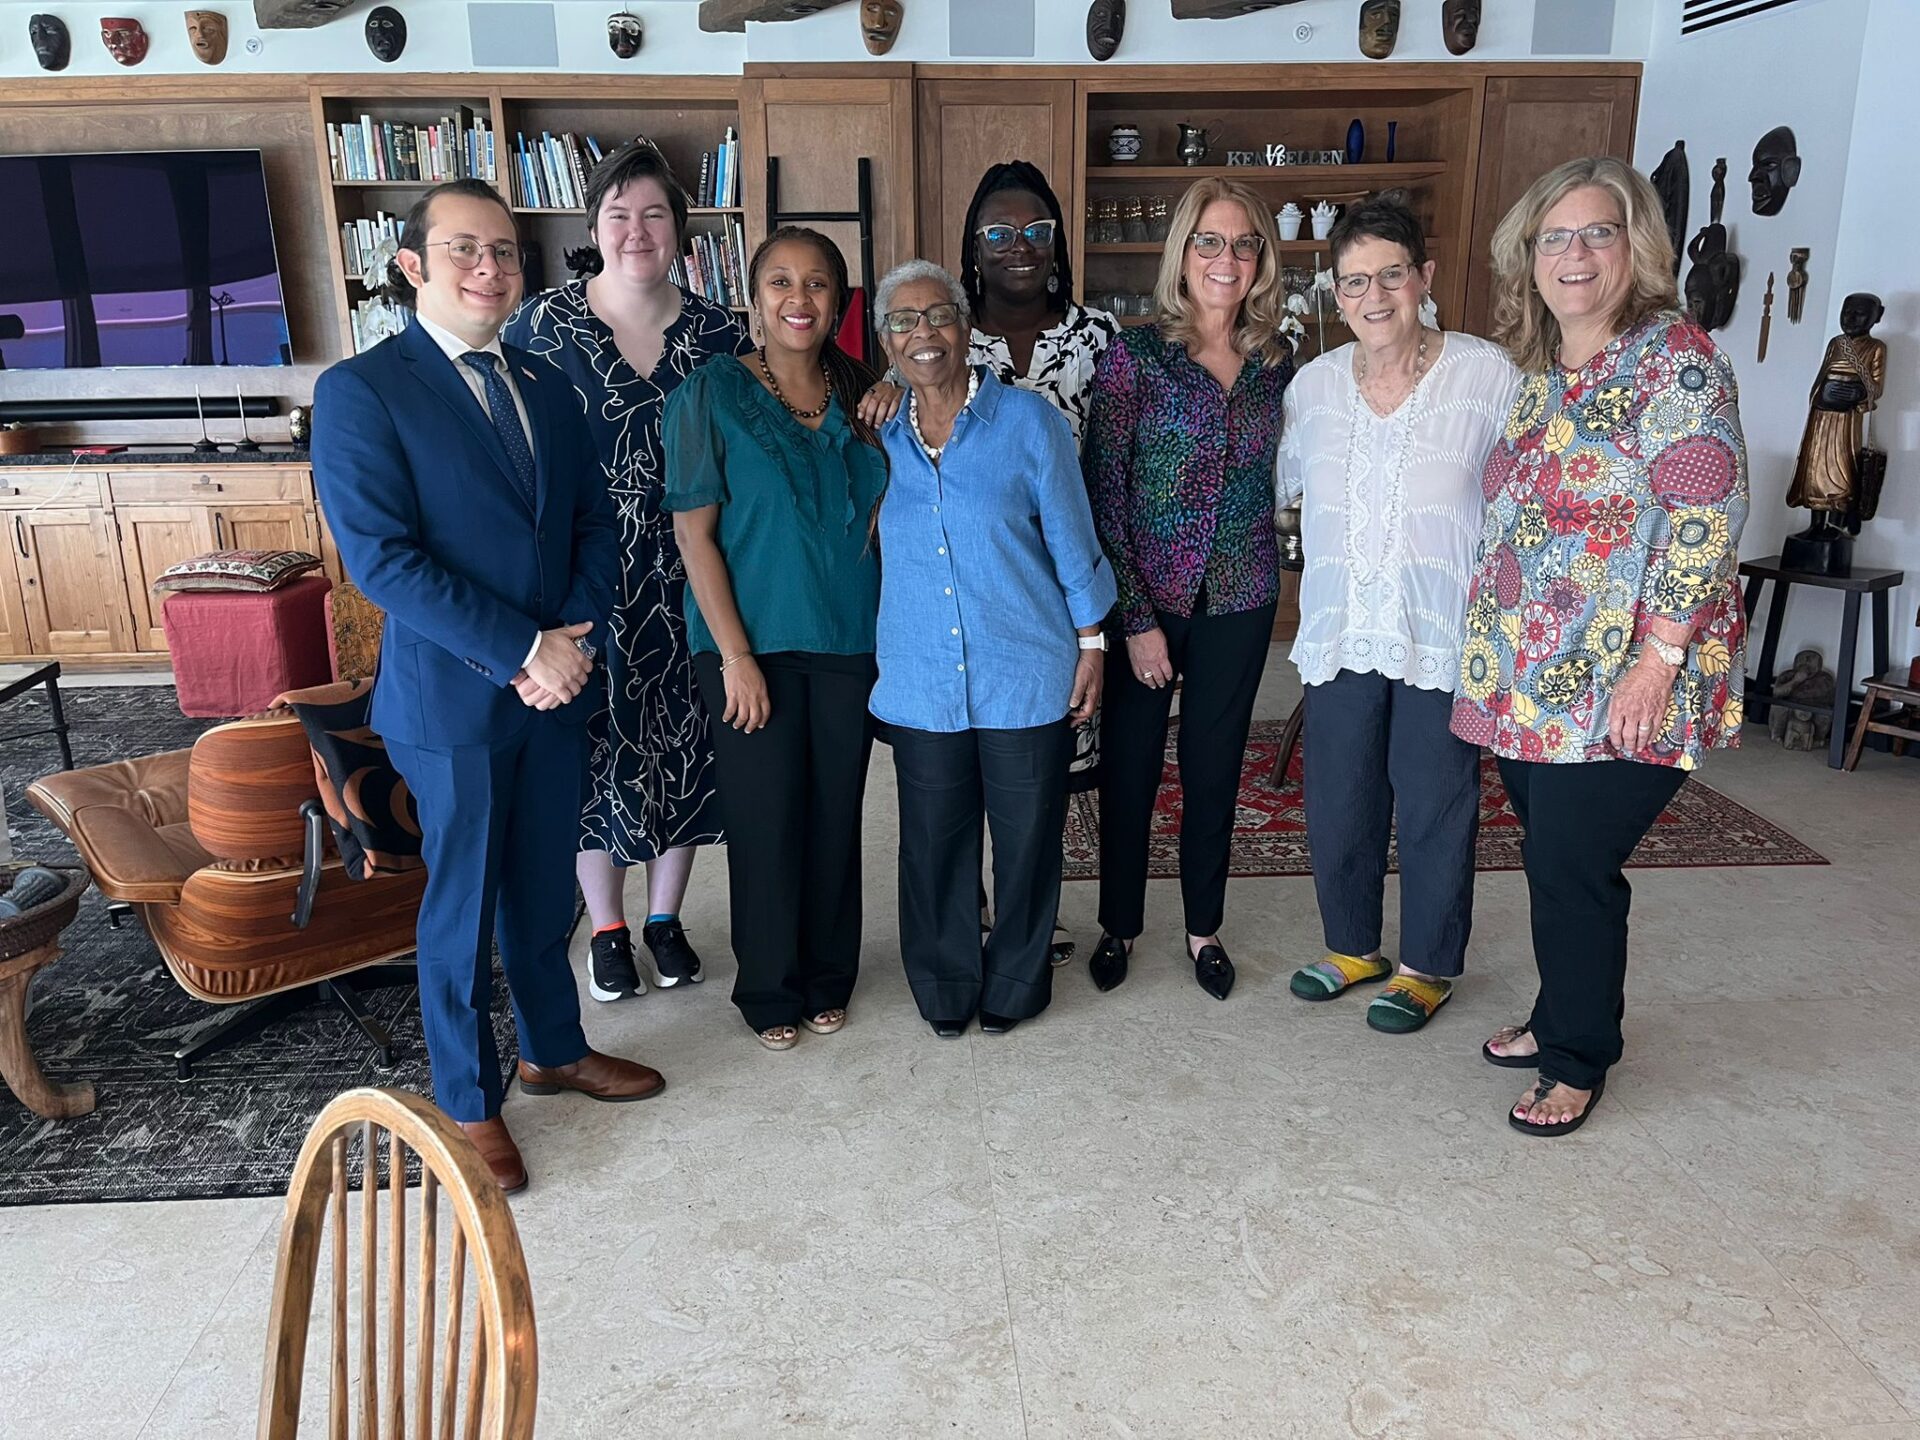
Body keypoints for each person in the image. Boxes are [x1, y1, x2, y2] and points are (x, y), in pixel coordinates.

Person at [312, 178, 666, 1195]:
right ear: (414, 264)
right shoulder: (363, 392)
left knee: (541, 888)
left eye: (506, 252)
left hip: (558, 691)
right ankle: (468, 1104)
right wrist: (522, 650)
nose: (489, 269)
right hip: (454, 702)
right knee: (461, 907)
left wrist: (575, 637)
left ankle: (553, 1049)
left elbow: (598, 524)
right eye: (465, 250)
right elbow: (383, 561)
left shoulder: (545, 383)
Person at [1456, 156, 1748, 1136]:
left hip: (1632, 673)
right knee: (1554, 855)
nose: (1574, 254)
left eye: (1598, 233)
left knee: (1576, 860)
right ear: (1528, 258)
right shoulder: (1544, 372)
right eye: (1555, 238)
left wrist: (1659, 657)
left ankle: (1579, 1056)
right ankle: (1558, 1013)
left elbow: (1708, 510)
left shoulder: (1673, 358)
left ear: (1638, 249)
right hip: (1539, 677)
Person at [507, 141, 751, 1004]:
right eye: (619, 214)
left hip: (694, 578)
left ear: (681, 231)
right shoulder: (538, 328)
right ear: (594, 227)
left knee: (686, 746)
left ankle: (665, 918)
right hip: (583, 583)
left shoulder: (724, 332)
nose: (636, 229)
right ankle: (607, 927)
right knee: (596, 756)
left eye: (653, 213)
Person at [860, 160, 1119, 968]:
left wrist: (1096, 638)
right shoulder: (883, 423)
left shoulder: (1051, 397)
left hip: (1031, 638)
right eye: (904, 324)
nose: (923, 333)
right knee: (935, 835)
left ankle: (1018, 970)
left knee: (1030, 827)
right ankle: (946, 973)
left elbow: (1081, 530)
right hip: (926, 666)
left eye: (938, 317)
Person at [1275, 193, 1518, 1033]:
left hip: (1441, 629)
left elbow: (1525, 501)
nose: (1372, 298)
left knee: (1434, 798)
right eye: (1352, 283)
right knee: (1337, 794)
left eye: (1389, 276)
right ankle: (1351, 948)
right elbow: (1288, 497)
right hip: (1342, 625)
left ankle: (1427, 964)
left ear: (1423, 276)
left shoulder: (1486, 376)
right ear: (1332, 294)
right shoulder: (1311, 390)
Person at [663, 227, 888, 1052]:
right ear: (754, 300)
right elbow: (695, 538)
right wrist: (736, 658)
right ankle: (768, 989)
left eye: (819, 284)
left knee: (836, 816)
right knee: (766, 819)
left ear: (839, 301)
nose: (801, 298)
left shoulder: (868, 394)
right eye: (782, 282)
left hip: (847, 638)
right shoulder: (710, 394)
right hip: (745, 642)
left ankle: (830, 975)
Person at [1082, 176, 1293, 1002]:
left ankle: (1204, 927)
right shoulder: (1135, 357)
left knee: (1215, 770)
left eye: (1244, 244)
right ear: (1183, 251)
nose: (1227, 258)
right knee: (1130, 772)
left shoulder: (1280, 366)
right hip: (1150, 599)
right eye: (1210, 241)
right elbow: (1104, 494)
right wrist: (1135, 620)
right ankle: (1119, 925)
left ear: (1261, 260)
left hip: (1240, 599)